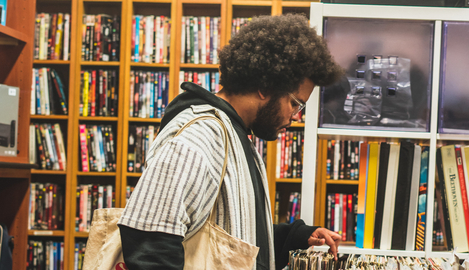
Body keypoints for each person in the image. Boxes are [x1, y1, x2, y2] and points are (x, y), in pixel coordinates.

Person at [117, 13, 344, 270]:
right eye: (295, 103)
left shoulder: (233, 134)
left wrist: (294, 237)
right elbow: (150, 242)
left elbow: (229, 237)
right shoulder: (198, 137)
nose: (295, 116)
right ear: (265, 86)